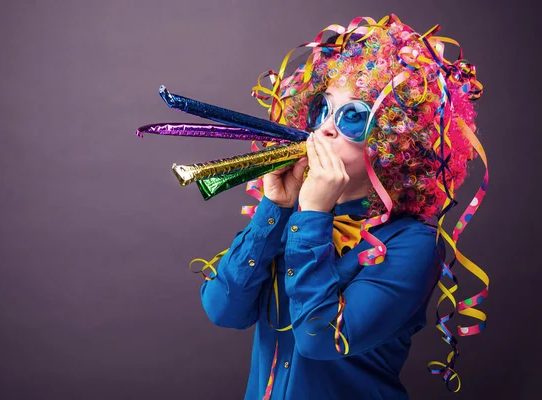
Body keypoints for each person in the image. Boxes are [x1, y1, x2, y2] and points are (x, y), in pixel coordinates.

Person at [194, 14, 487, 399]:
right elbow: (223, 310)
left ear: (396, 142)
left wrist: (313, 215)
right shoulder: (290, 216)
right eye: (321, 109)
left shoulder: (414, 245)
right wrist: (274, 208)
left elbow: (319, 339)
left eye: (353, 117)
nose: (325, 128)